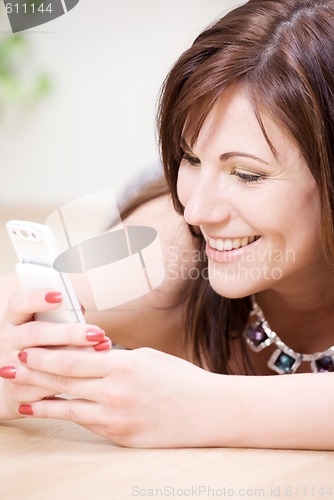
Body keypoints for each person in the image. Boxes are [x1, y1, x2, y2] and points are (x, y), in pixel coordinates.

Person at [1, 0, 334, 449]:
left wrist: (208, 406)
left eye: (248, 174)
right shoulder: (167, 252)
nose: (197, 211)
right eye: (191, 159)